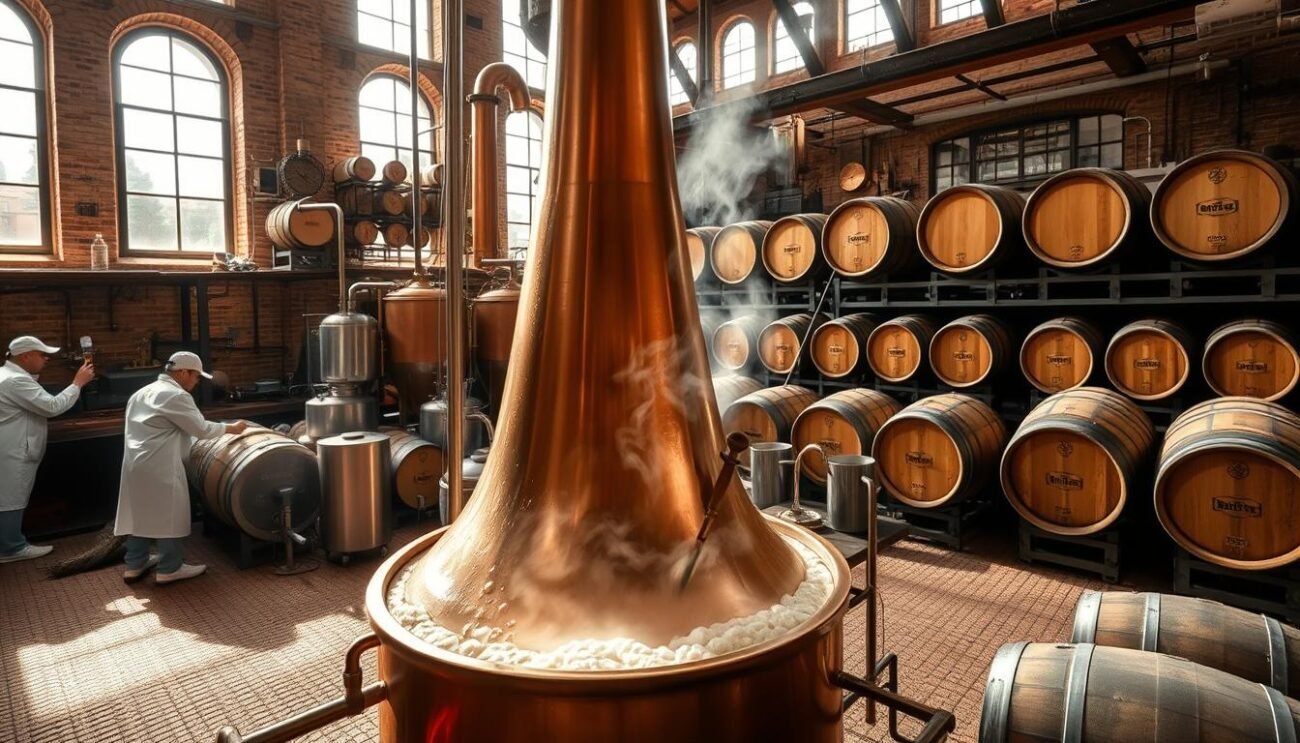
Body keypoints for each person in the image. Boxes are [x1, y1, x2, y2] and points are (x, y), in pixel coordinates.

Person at [114, 351, 246, 584]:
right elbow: (201, 429)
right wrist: (231, 428)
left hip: (135, 463)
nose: (196, 383)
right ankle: (170, 568)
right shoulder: (176, 395)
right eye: (196, 377)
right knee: (168, 514)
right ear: (183, 372)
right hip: (161, 464)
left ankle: (135, 564)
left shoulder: (140, 393)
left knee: (139, 513)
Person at [0, 336, 95, 563]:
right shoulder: (15, 381)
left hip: (12, 444)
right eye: (42, 354)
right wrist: (78, 383)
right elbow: (52, 407)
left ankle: (9, 544)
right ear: (25, 356)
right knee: (12, 496)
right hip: (14, 448)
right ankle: (11, 548)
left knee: (9, 494)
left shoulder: (9, 374)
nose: (46, 359)